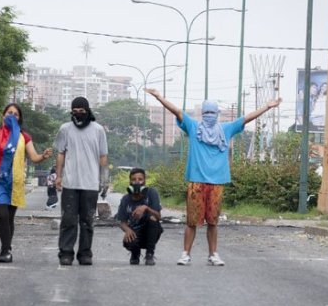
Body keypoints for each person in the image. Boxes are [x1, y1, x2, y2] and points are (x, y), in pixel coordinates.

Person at [145, 88, 281, 267]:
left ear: (217, 114)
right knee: (192, 221)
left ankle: (213, 254)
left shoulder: (225, 129)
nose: (209, 115)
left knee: (213, 222)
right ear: (202, 114)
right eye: (206, 112)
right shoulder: (193, 127)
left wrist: (267, 107)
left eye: (212, 112)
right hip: (196, 181)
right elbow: (177, 112)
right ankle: (185, 254)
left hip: (217, 182)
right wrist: (159, 97)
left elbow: (246, 118)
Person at [0, 103, 53, 263]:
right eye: (9, 113)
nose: (12, 116)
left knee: (9, 218)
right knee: (2, 215)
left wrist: (44, 156)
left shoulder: (24, 137)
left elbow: (34, 157)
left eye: (15, 114)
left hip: (14, 182)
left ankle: (6, 249)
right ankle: (5, 249)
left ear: (19, 118)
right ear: (3, 115)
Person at [54, 96, 108, 266]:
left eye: (81, 111)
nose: (78, 114)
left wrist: (104, 179)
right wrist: (59, 176)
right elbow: (61, 153)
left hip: (91, 184)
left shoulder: (98, 130)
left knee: (87, 221)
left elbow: (103, 156)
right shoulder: (65, 129)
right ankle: (66, 253)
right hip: (70, 183)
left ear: (88, 111)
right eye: (75, 111)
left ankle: (85, 254)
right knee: (68, 220)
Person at [116, 167, 163, 266]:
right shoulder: (125, 199)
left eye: (140, 179)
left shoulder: (151, 193)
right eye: (134, 179)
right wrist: (127, 230)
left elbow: (158, 217)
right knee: (129, 240)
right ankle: (135, 254)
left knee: (152, 218)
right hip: (135, 232)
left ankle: (149, 254)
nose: (137, 182)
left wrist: (146, 208)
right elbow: (122, 222)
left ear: (144, 181)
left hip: (150, 231)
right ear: (130, 182)